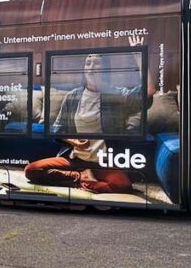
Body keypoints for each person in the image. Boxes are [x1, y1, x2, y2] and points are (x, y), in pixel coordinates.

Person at [24, 53, 142, 193]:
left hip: (102, 163)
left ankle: (88, 179)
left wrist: (139, 57)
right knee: (32, 170)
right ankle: (81, 177)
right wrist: (73, 141)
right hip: (75, 159)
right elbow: (57, 130)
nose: (91, 68)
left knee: (123, 185)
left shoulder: (117, 95)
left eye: (97, 64)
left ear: (105, 69)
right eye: (88, 64)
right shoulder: (72, 96)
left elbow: (148, 91)